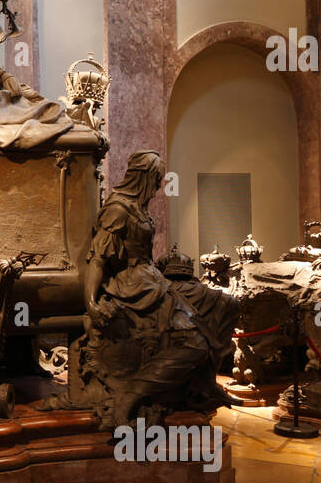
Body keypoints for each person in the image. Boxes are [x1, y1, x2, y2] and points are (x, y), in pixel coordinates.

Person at [69, 150, 239, 426]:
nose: (160, 185)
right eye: (157, 179)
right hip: (134, 288)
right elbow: (97, 260)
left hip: (153, 280)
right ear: (144, 177)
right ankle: (131, 393)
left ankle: (205, 382)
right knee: (195, 342)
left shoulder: (137, 207)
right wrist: (91, 302)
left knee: (225, 305)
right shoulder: (118, 210)